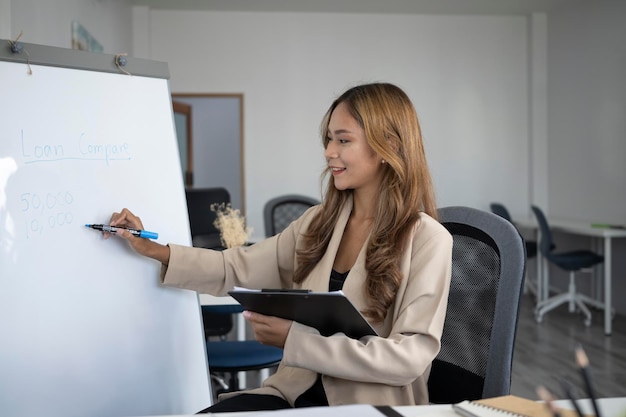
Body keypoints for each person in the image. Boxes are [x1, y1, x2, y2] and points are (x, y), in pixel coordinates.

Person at [106, 82, 453, 412]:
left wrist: (294, 340)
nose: (329, 152)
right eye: (329, 139)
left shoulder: (428, 240)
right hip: (295, 394)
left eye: (344, 140)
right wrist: (156, 250)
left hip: (369, 407)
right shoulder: (319, 223)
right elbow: (235, 267)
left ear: (388, 146)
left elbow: (406, 359)